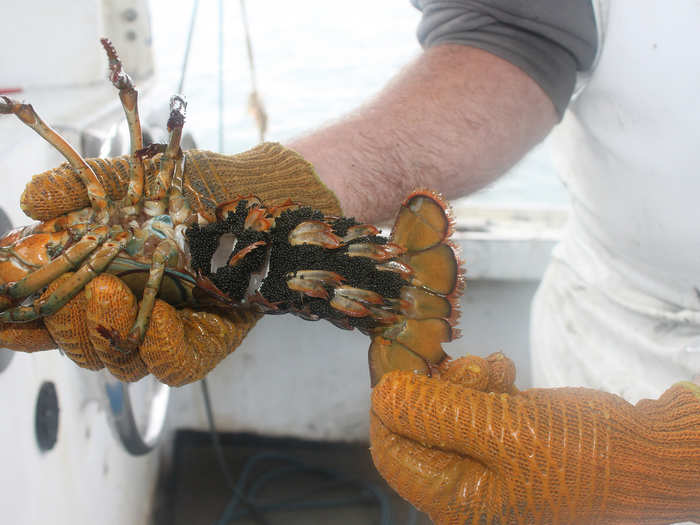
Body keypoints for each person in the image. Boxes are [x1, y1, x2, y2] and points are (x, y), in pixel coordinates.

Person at [5, 1, 700, 523]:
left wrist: (671, 457)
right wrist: (298, 185)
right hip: (609, 330)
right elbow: (517, 31)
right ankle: (381, 288)